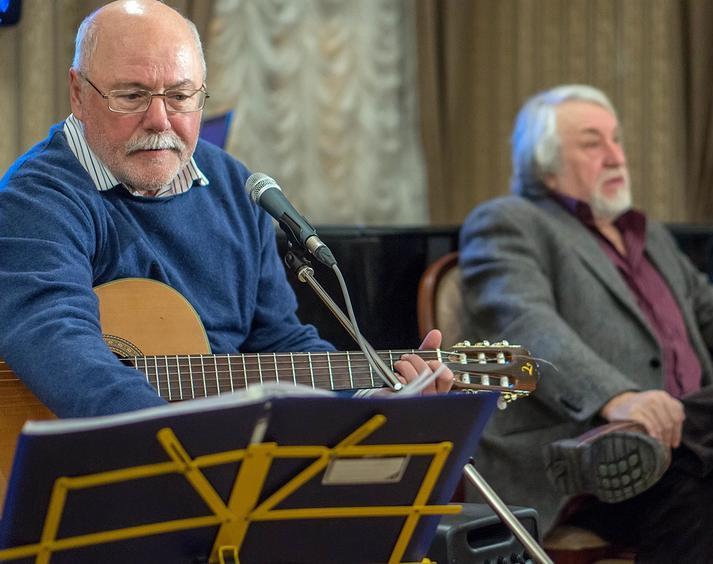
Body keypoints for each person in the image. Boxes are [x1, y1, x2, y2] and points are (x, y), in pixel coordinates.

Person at [0, 0, 452, 419]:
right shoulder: (35, 197)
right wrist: (178, 439)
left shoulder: (236, 188)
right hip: (104, 463)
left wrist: (367, 399)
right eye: (132, 96)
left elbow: (277, 342)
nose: (159, 120)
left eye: (180, 96)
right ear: (78, 93)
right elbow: (58, 342)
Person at [459, 84, 713, 562]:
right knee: (707, 479)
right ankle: (634, 442)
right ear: (544, 165)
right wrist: (617, 398)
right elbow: (524, 323)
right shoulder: (508, 222)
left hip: (667, 457)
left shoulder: (647, 236)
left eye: (617, 139)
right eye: (593, 143)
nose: (615, 156)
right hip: (572, 471)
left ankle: (664, 441)